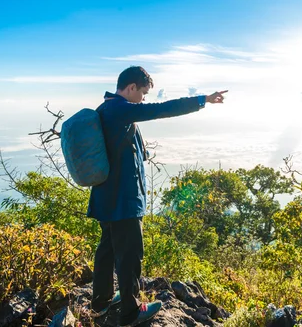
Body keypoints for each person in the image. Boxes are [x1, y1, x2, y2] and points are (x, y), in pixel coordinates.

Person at [87, 65, 227, 326]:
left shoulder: (106, 108)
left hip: (107, 196)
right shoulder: (120, 110)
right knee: (130, 254)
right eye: (143, 93)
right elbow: (162, 109)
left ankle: (102, 301)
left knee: (107, 248)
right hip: (123, 200)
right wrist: (202, 100)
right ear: (131, 88)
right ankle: (130, 312)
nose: (144, 99)